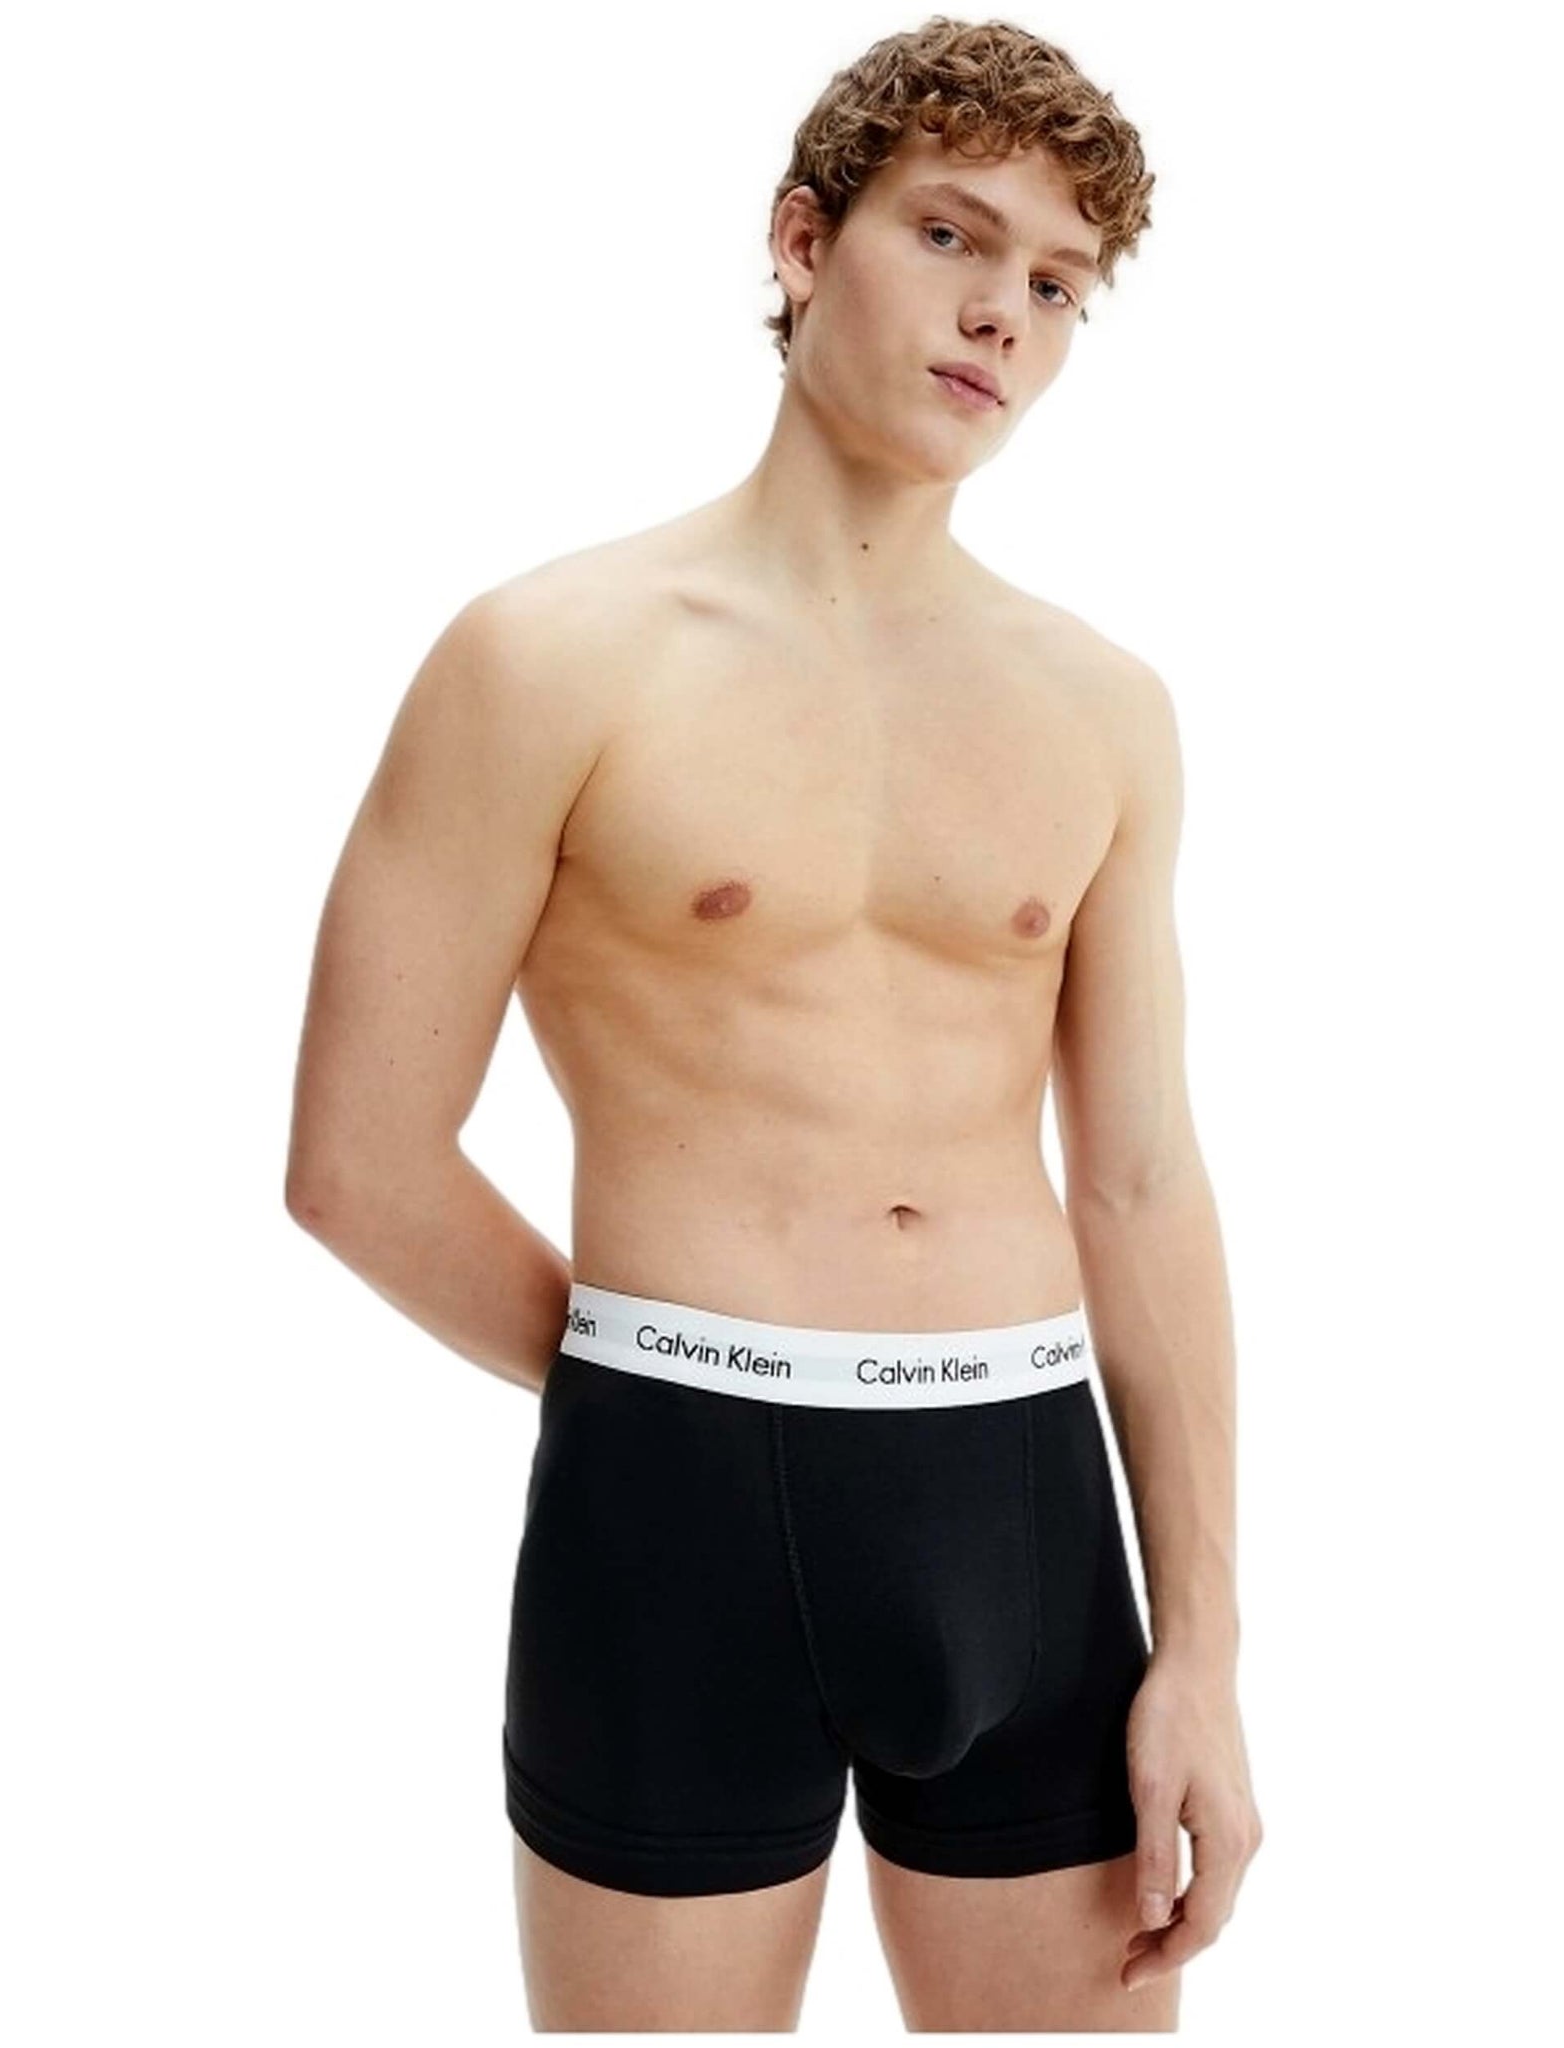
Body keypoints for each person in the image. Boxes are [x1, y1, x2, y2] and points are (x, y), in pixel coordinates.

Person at [284, 14, 1261, 2031]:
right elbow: (358, 1162)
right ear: (804, 241)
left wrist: (1208, 1649)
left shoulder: (1103, 709)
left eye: (1057, 285)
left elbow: (1144, 1183)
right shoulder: (549, 658)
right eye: (951, 235)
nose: (1001, 317)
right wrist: (655, 1390)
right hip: (673, 1507)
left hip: (1020, 1504)